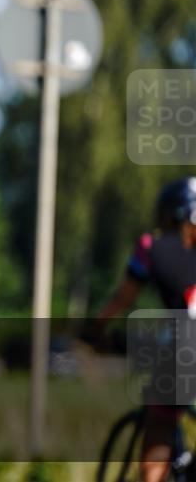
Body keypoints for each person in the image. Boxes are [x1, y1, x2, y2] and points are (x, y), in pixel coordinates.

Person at [91, 177, 196, 482]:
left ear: (172, 214)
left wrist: (95, 328)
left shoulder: (151, 246)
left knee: (159, 428)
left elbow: (123, 297)